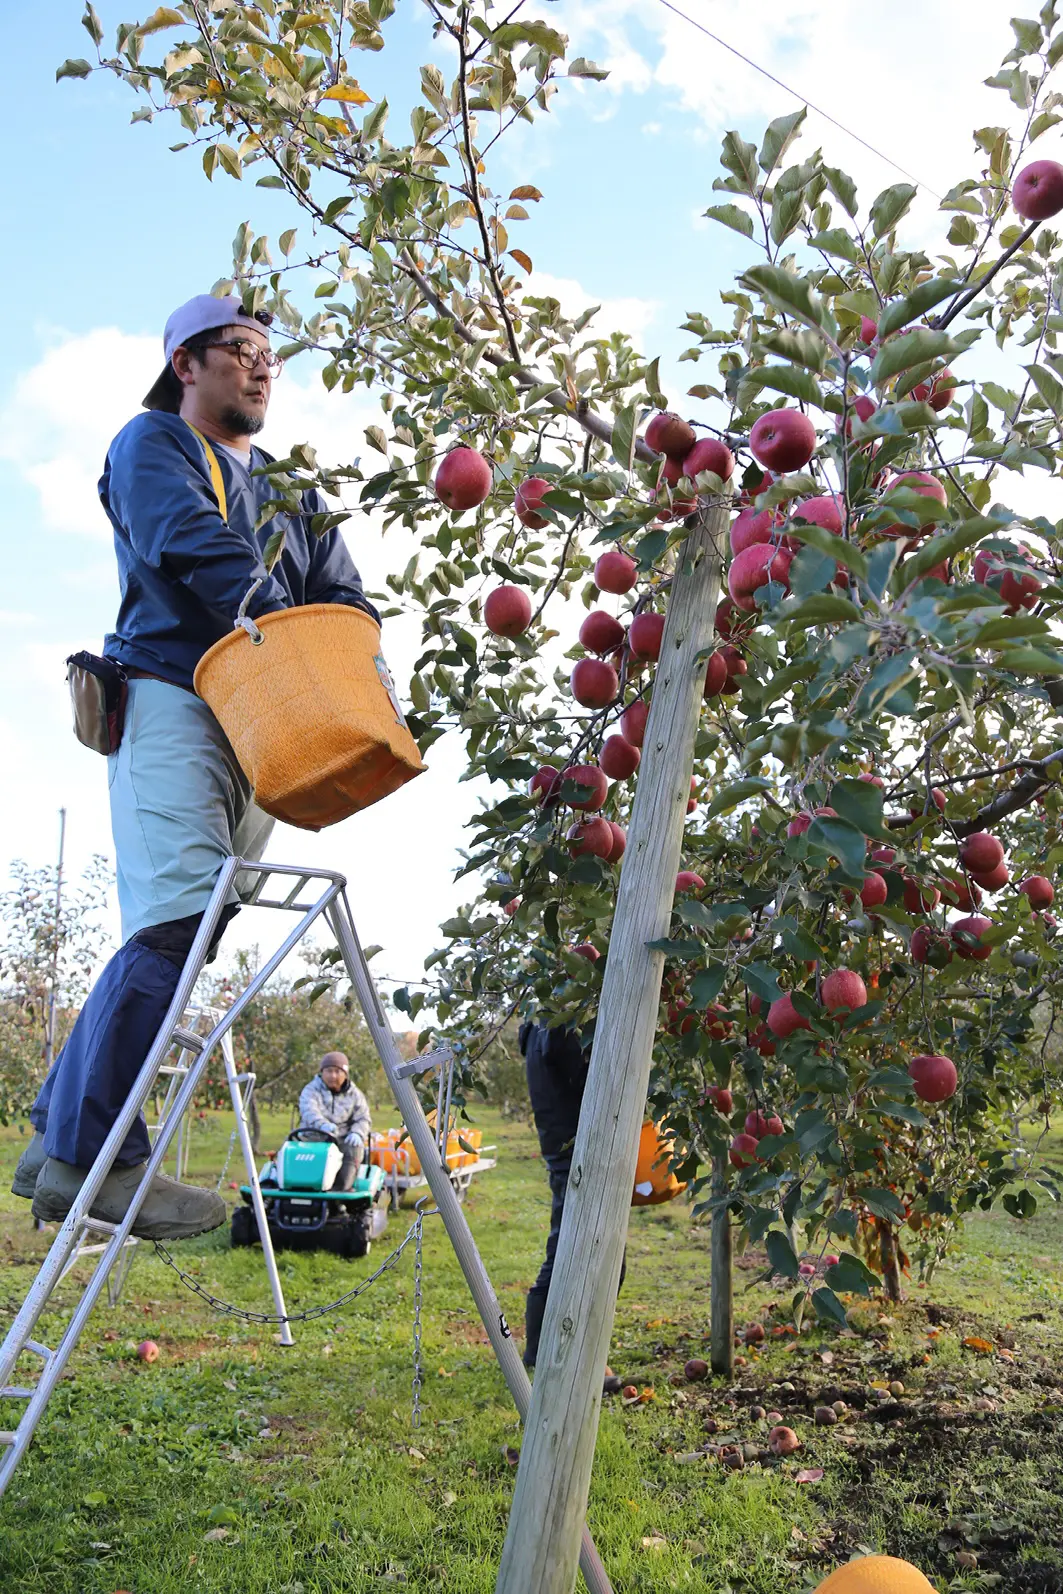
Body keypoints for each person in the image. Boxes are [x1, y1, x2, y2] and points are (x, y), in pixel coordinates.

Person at [13, 294, 378, 1240]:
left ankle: (57, 1128)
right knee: (176, 923)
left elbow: (340, 592)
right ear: (187, 363)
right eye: (240, 349)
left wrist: (356, 661)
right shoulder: (154, 445)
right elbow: (188, 542)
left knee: (199, 927)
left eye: (271, 355)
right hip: (175, 692)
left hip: (265, 719)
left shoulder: (294, 490)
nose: (261, 367)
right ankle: (96, 1162)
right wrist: (271, 612)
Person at [518, 1020, 625, 1390]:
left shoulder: (535, 1031)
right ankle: (573, 1355)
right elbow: (591, 1085)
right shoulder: (558, 1030)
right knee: (604, 1261)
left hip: (563, 1153)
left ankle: (544, 1351)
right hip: (578, 1157)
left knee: (563, 1249)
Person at [296, 1051, 372, 1190]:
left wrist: (357, 1133)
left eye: (338, 1071)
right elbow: (309, 1111)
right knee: (290, 1149)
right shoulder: (310, 1090)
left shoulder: (355, 1095)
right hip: (313, 1137)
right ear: (322, 1072)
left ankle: (342, 1190)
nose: (333, 1076)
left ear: (345, 1074)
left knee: (354, 1149)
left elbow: (363, 1118)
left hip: (342, 1139)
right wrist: (322, 1125)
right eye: (329, 1071)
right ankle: (298, 1186)